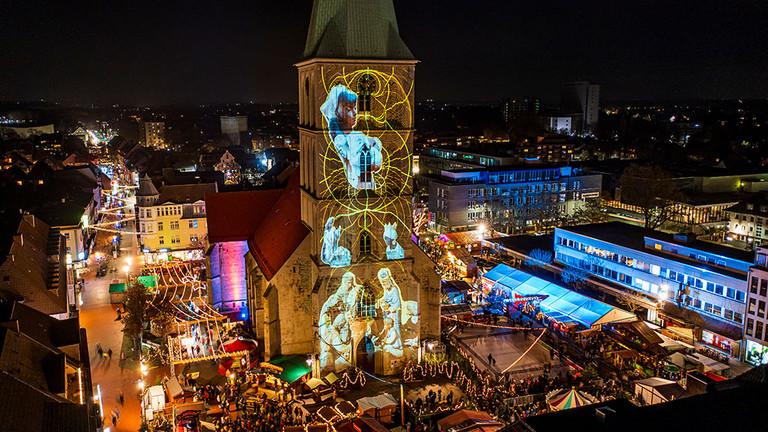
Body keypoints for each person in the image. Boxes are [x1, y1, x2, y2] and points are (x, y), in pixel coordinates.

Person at [319, 84, 383, 190]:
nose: (354, 113)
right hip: (360, 186)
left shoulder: (354, 135)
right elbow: (363, 162)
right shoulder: (342, 140)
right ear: (337, 113)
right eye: (348, 110)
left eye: (355, 108)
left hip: (367, 186)